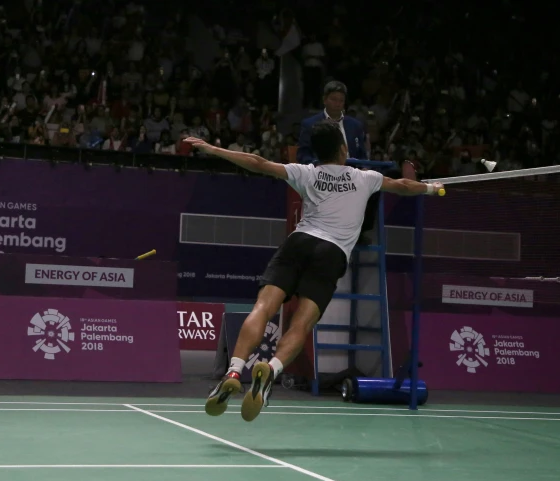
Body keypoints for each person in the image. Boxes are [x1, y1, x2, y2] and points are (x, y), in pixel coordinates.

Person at [184, 121, 444, 422]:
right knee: (302, 323)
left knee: (263, 307)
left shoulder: (306, 172)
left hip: (299, 243)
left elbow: (258, 163)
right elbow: (403, 186)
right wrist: (431, 188)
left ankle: (233, 371)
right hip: (331, 253)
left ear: (317, 152)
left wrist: (212, 148)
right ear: (344, 149)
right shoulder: (366, 178)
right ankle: (271, 370)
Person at [297, 81, 378, 244]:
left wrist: (364, 167)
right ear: (325, 100)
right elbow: (302, 155)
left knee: (375, 186)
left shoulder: (355, 126)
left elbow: (362, 155)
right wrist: (317, 165)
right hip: (322, 174)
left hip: (350, 174)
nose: (337, 103)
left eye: (341, 100)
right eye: (333, 99)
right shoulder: (310, 124)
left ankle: (359, 231)